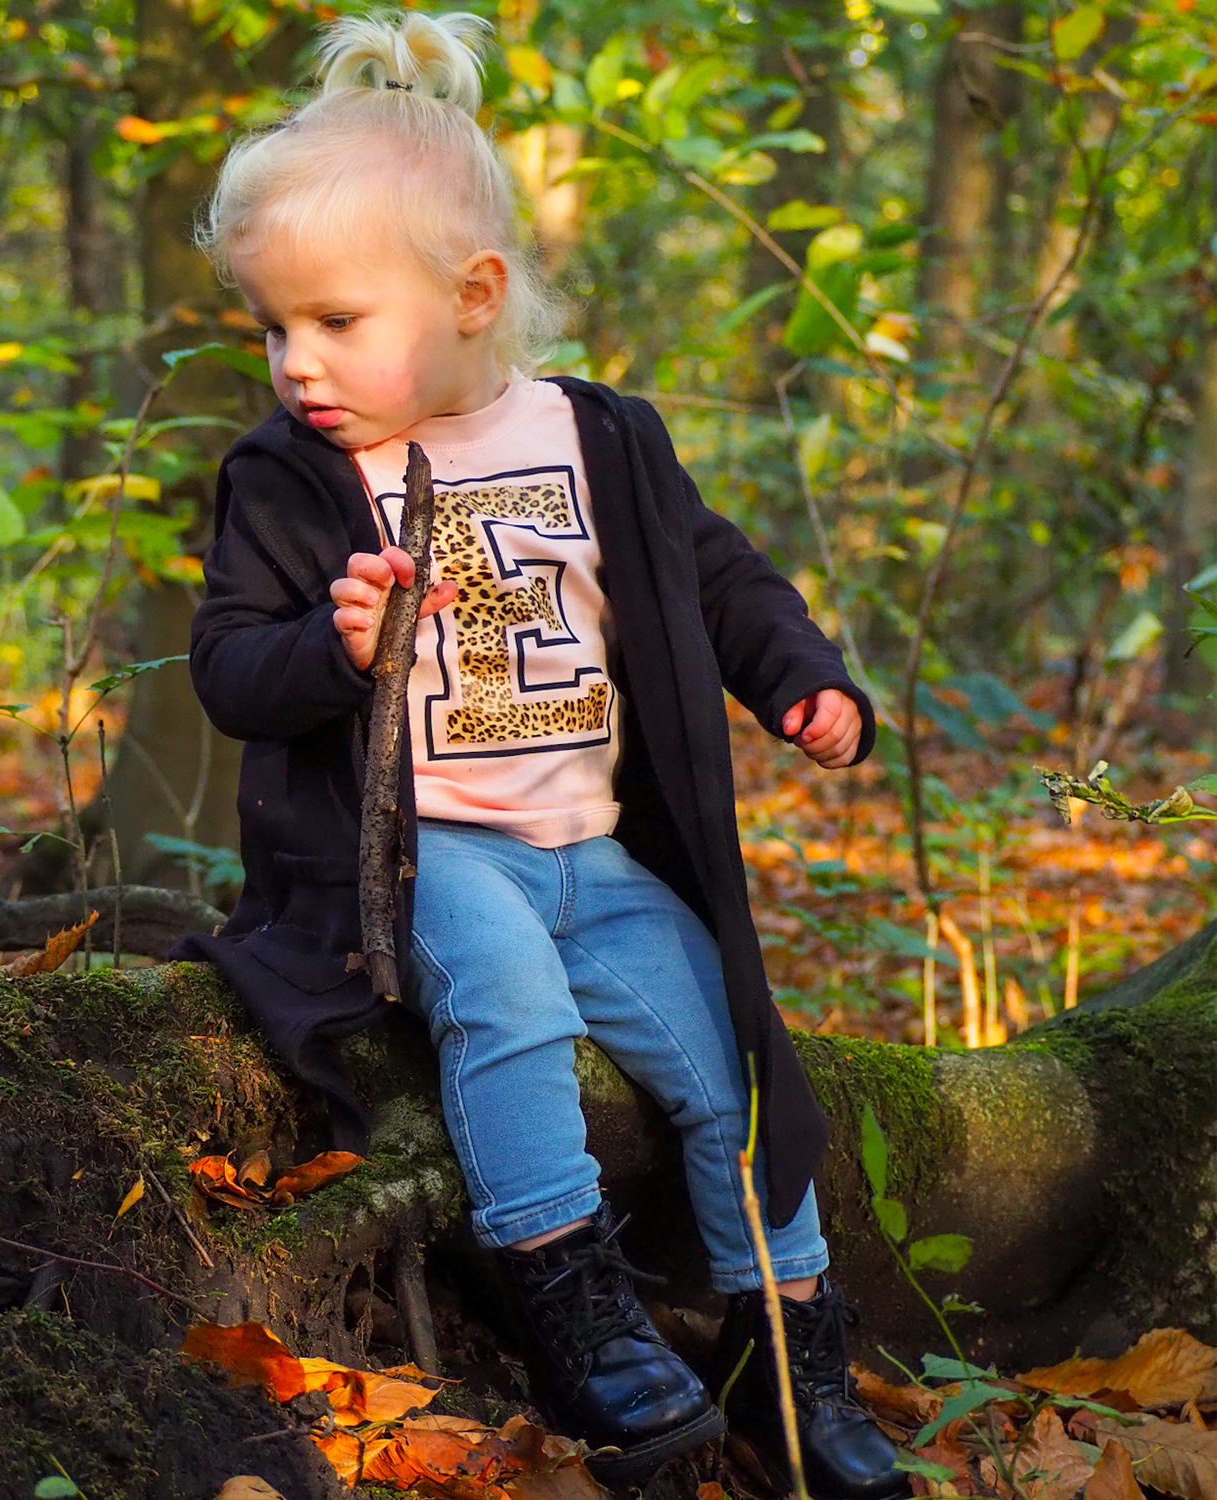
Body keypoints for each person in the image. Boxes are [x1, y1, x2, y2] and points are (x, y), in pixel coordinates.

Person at [183, 10, 906, 1492]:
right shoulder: (290, 479)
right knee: (501, 1009)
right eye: (273, 327)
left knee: (730, 1070)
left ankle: (788, 1344)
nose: (294, 363)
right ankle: (576, 1309)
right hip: (434, 850)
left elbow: (723, 578)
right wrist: (336, 650)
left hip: (598, 854)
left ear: (472, 294)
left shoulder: (600, 440)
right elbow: (228, 673)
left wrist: (806, 684)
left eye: (334, 322)